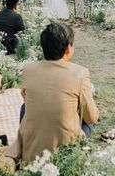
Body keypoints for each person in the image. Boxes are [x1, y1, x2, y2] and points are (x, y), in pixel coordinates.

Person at [7, 23, 99, 164]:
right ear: (68, 48)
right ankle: (77, 151)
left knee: (25, 108)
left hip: (32, 154)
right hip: (64, 154)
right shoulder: (80, 73)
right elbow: (92, 118)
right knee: (89, 116)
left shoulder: (28, 70)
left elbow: (27, 99)